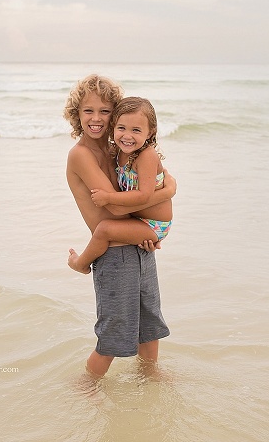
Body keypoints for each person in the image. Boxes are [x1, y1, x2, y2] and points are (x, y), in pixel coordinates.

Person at [63, 74, 174, 378]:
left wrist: (164, 194)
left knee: (149, 324)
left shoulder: (118, 151)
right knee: (114, 333)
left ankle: (150, 376)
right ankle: (87, 385)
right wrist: (166, 194)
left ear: (115, 115)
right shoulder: (81, 154)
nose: (96, 119)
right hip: (113, 253)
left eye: (104, 111)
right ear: (77, 115)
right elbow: (113, 206)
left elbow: (160, 178)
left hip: (138, 243)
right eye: (88, 111)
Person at [68, 96, 172, 274]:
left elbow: (142, 196)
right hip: (138, 228)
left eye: (136, 130)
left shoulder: (144, 155)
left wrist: (108, 197)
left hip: (153, 225)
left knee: (104, 229)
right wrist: (168, 191)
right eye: (122, 128)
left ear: (150, 132)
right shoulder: (117, 152)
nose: (127, 135)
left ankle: (80, 263)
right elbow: (120, 207)